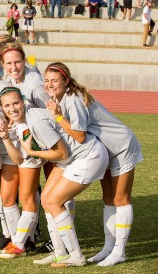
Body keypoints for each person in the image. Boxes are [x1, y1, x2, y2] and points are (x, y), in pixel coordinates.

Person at [44, 63, 142, 267]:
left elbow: (79, 136)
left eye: (55, 80)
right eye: (47, 80)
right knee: (108, 197)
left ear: (66, 81)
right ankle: (108, 247)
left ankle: (119, 251)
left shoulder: (72, 99)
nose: (50, 84)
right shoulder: (63, 97)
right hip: (105, 148)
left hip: (121, 146)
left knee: (120, 198)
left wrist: (58, 116)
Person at [0, 87, 66, 259]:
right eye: (7, 106)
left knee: (35, 198)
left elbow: (32, 155)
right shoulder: (19, 124)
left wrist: (32, 150)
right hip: (52, 154)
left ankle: (20, 243)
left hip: (67, 154)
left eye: (15, 103)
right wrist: (5, 138)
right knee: (41, 199)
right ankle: (27, 243)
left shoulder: (30, 121)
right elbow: (20, 159)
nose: (12, 108)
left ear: (23, 102)